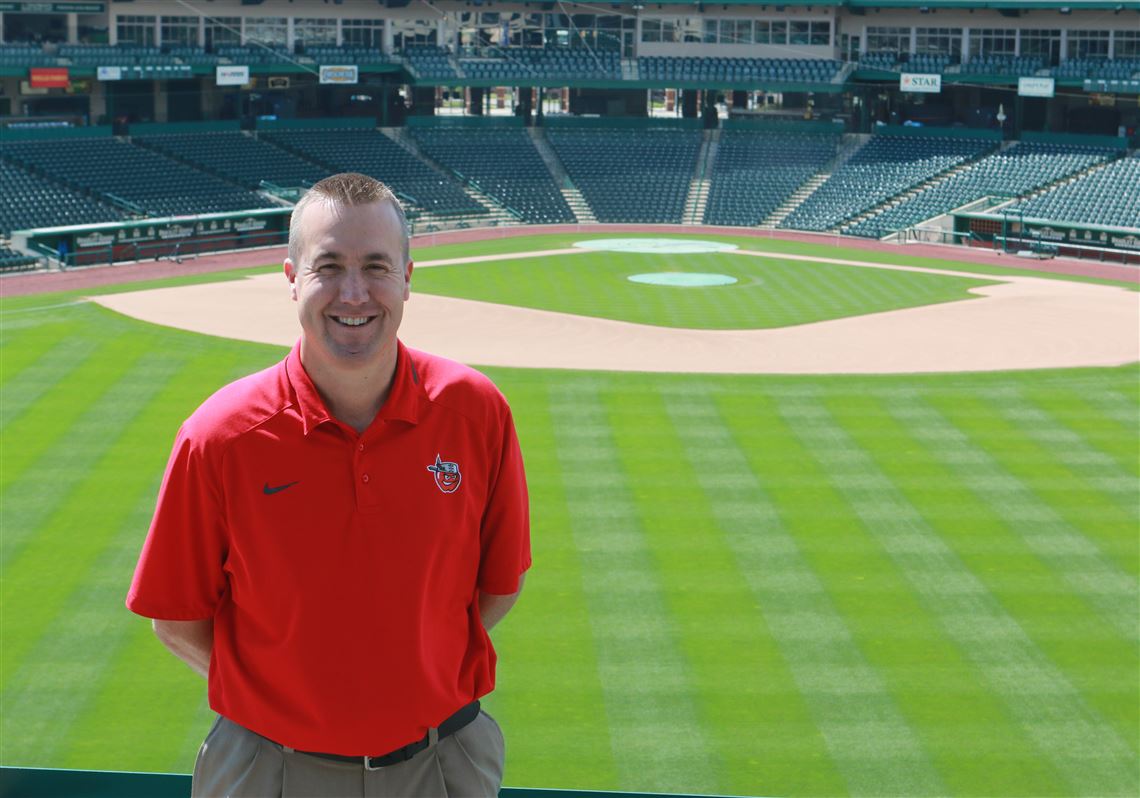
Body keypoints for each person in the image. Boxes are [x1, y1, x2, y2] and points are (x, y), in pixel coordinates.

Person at [126, 172, 531, 798]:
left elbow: (498, 588)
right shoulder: (220, 435)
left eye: (375, 265)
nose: (353, 291)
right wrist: (290, 701)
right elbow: (176, 619)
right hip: (271, 768)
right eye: (329, 266)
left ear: (407, 276)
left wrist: (402, 685)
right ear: (291, 278)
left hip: (440, 763)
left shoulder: (476, 411)